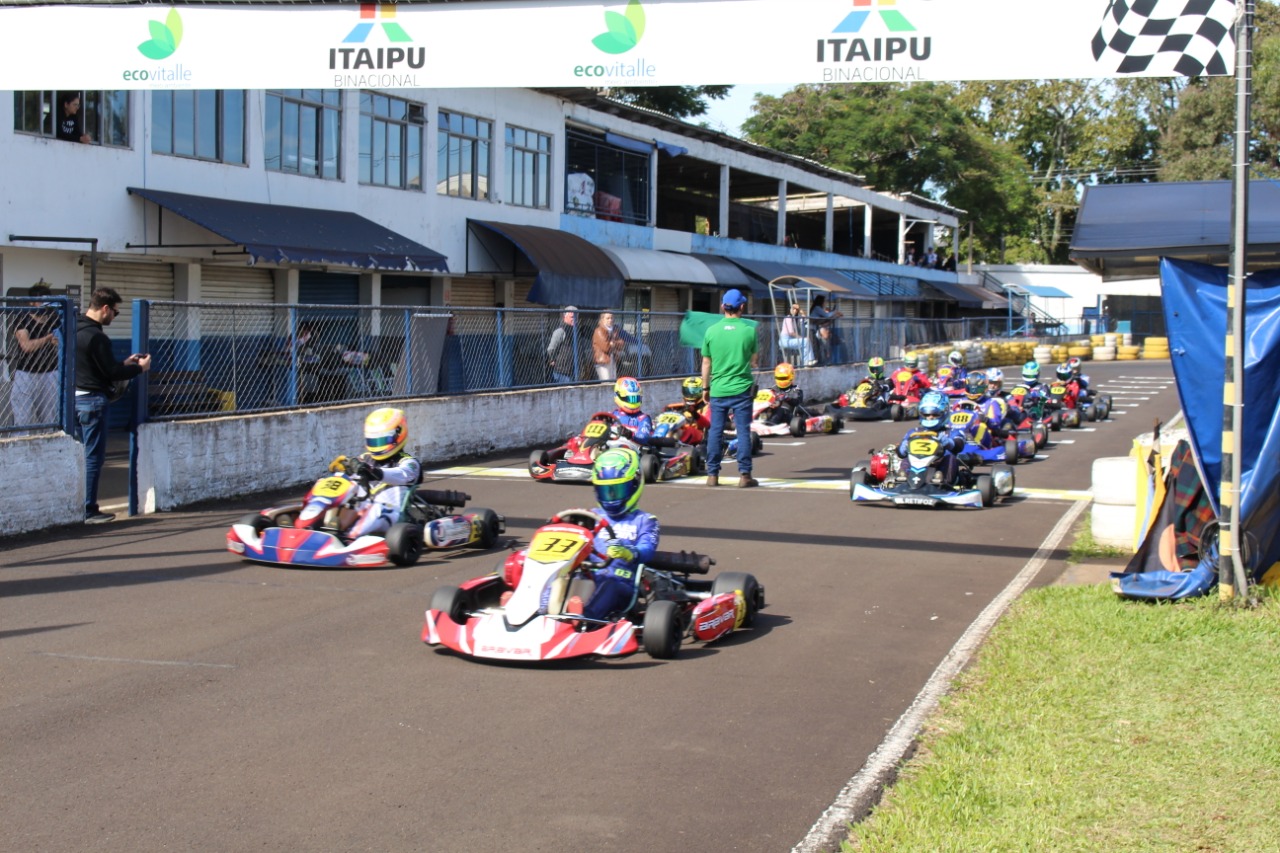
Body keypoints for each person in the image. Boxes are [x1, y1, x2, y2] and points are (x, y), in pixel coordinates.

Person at [75, 286, 151, 523]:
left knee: (78, 456)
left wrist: (123, 363)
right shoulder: (97, 336)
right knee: (93, 458)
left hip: (72, 401)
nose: (115, 317)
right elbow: (112, 372)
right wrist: (138, 368)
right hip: (93, 401)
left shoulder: (73, 328)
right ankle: (89, 509)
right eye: (115, 313)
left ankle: (76, 506)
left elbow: (96, 366)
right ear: (105, 308)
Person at [567, 447, 660, 622]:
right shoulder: (589, 516)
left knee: (609, 585)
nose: (610, 498)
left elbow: (647, 548)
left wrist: (630, 552)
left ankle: (583, 620)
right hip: (585, 575)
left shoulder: (645, 520)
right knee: (560, 577)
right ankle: (537, 610)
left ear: (633, 485)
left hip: (621, 582)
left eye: (616, 491)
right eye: (605, 491)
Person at [329, 407, 421, 539]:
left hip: (392, 514)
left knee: (375, 509)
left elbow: (401, 474)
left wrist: (373, 471)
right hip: (363, 508)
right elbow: (353, 477)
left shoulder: (409, 463)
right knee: (343, 497)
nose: (378, 444)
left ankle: (348, 539)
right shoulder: (365, 459)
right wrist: (344, 470)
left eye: (383, 439)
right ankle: (324, 529)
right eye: (374, 440)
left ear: (398, 434)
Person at [701, 288, 758, 488]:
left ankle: (712, 474)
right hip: (742, 388)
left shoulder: (711, 331)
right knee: (742, 431)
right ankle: (744, 475)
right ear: (742, 306)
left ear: (722, 307)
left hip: (718, 389)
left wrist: (705, 388)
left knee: (715, 430)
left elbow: (706, 363)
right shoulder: (749, 331)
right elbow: (754, 360)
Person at [11, 281, 61, 429]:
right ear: (32, 302)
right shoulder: (23, 318)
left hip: (50, 371)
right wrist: (47, 338)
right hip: (27, 373)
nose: (45, 305)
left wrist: (56, 340)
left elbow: (59, 342)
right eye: (41, 301)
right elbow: (26, 346)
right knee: (23, 418)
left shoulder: (54, 319)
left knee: (49, 417)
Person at [898, 390, 965, 485]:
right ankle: (903, 479)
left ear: (944, 413)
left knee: (950, 457)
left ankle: (943, 482)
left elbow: (959, 445)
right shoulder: (914, 432)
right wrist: (902, 448)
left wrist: (949, 443)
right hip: (916, 465)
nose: (930, 417)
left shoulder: (951, 432)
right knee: (907, 458)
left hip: (939, 468)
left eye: (935, 414)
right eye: (927, 415)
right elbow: (900, 453)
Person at [662, 377, 711, 443]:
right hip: (682, 432)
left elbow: (708, 425)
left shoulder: (708, 407)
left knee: (689, 431)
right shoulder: (678, 407)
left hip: (700, 436)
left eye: (695, 392)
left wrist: (694, 413)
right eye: (688, 391)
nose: (691, 395)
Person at [608, 376, 654, 444]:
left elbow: (643, 438)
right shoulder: (611, 416)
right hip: (610, 449)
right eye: (629, 399)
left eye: (635, 398)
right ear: (618, 396)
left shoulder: (643, 419)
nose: (633, 402)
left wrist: (629, 434)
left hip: (631, 450)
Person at [757, 362, 804, 426]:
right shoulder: (773, 389)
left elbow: (797, 401)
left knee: (780, 410)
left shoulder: (795, 389)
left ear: (791, 376)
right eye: (780, 378)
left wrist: (787, 398)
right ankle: (756, 422)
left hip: (789, 414)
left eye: (784, 378)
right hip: (772, 411)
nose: (782, 380)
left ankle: (771, 425)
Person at [546, 305, 581, 384]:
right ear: (565, 316)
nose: (575, 319)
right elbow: (551, 349)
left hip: (574, 370)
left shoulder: (576, 331)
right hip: (562, 371)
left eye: (576, 317)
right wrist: (552, 359)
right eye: (572, 317)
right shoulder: (560, 331)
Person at [809, 294, 843, 365]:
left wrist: (835, 316)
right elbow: (827, 316)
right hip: (810, 329)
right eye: (824, 301)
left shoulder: (817, 309)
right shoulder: (817, 308)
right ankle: (814, 361)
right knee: (814, 346)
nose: (825, 303)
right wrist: (835, 312)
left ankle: (817, 361)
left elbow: (825, 320)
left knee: (816, 346)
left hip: (813, 329)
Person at [592, 311, 624, 381]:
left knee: (613, 383)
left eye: (612, 318)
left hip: (612, 360)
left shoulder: (613, 330)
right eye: (608, 318)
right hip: (602, 362)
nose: (610, 320)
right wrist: (613, 344)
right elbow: (606, 347)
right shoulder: (599, 331)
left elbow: (621, 345)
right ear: (602, 319)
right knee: (606, 383)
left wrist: (613, 343)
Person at [779, 302, 812, 366]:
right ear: (790, 309)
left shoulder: (795, 319)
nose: (795, 311)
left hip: (791, 339)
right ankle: (807, 361)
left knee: (805, 343)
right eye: (793, 308)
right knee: (805, 341)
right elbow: (791, 332)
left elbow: (805, 320)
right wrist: (801, 337)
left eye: (796, 310)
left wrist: (801, 312)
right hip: (785, 340)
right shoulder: (788, 318)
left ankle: (809, 360)